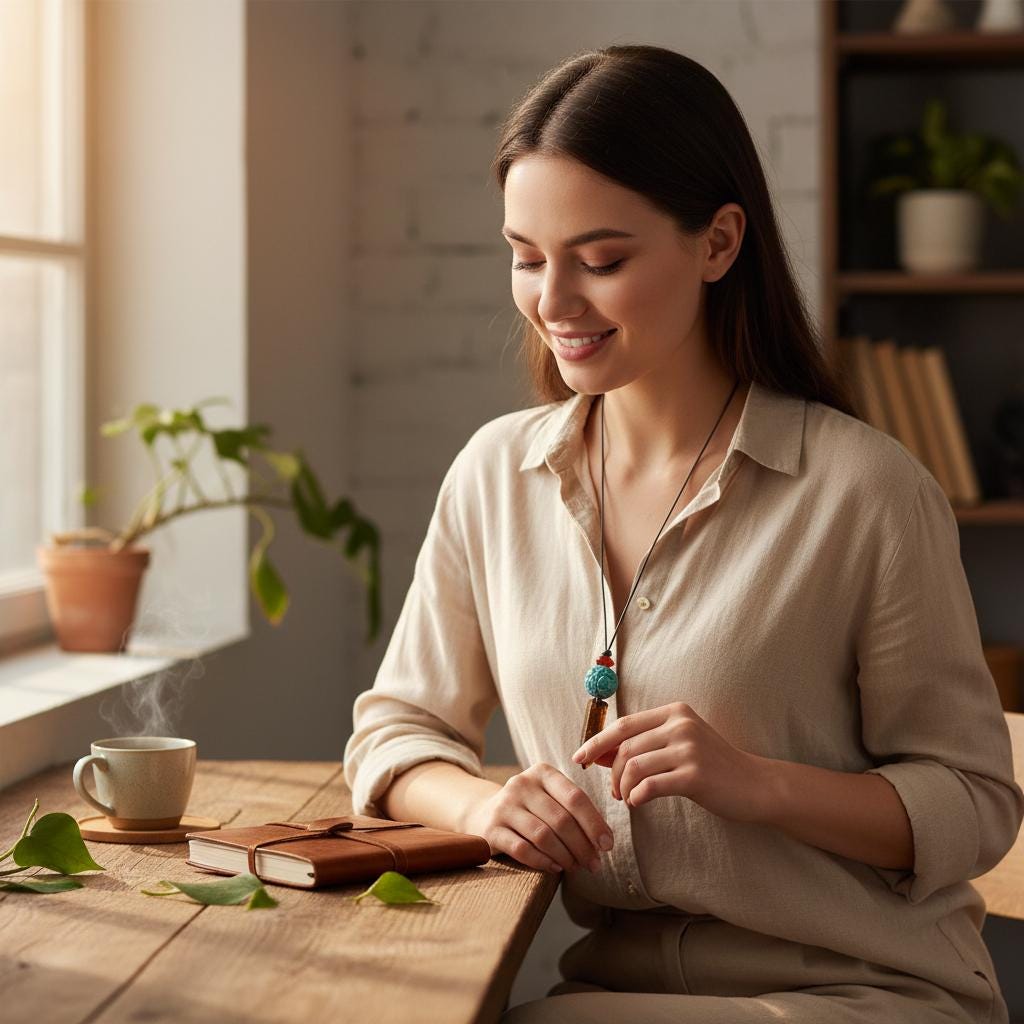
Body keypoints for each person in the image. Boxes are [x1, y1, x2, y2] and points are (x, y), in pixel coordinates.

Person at [342, 44, 1023, 1023]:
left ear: (717, 242)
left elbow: (976, 801)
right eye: (526, 257)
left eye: (602, 259)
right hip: (612, 990)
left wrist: (761, 785)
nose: (553, 302)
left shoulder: (865, 491)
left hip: (864, 992)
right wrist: (482, 807)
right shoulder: (495, 476)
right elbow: (394, 731)